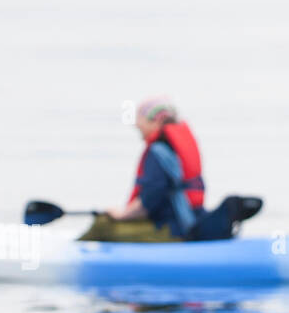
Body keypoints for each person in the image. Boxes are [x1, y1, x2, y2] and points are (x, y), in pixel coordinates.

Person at [79, 97, 261, 243]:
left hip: (173, 230)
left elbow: (148, 202)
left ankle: (73, 255)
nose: (137, 126)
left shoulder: (157, 152)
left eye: (140, 120)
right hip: (191, 220)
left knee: (103, 224)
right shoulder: (176, 148)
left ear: (154, 121)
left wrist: (119, 215)